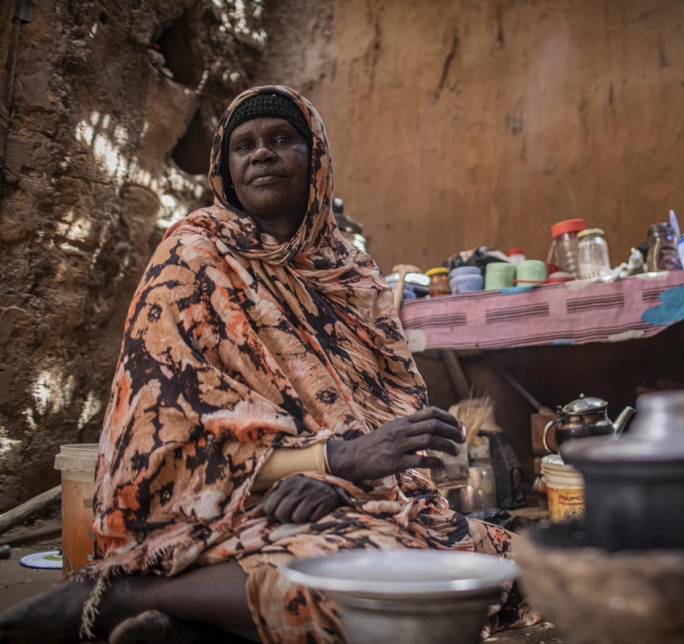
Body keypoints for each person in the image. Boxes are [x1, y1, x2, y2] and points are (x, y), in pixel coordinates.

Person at [0, 85, 538, 643]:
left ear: (317, 162)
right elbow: (164, 439)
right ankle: (126, 595)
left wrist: (344, 480)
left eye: (283, 140)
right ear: (226, 169)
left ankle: (191, 629)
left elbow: (390, 425)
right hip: (212, 514)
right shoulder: (193, 258)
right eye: (244, 145)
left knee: (505, 561)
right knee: (369, 582)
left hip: (345, 502)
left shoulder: (354, 278)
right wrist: (334, 458)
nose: (261, 153)